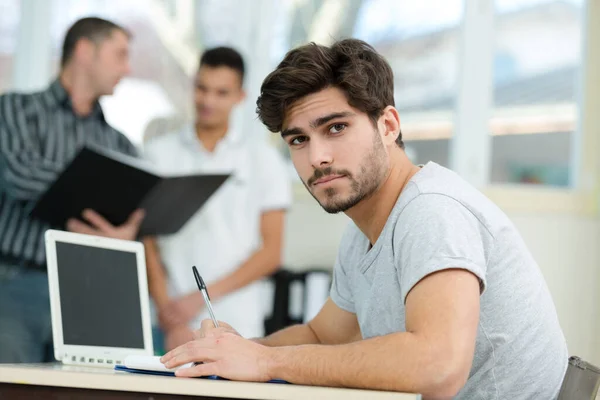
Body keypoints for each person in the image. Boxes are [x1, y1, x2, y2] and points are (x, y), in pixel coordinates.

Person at [160, 39, 569, 399]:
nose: (316, 157)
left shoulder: (432, 210)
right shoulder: (363, 234)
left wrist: (267, 363)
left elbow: (439, 368)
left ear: (388, 125)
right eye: (298, 139)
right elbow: (322, 336)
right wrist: (246, 350)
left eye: (336, 128)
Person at [0, 17, 144, 363]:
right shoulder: (16, 109)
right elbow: (23, 176)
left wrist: (127, 234)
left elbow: (133, 212)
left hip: (87, 292)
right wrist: (101, 191)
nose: (126, 68)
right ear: (84, 51)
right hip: (16, 283)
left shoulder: (119, 144)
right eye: (119, 55)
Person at [143, 47, 291, 352]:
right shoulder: (157, 154)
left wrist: (199, 299)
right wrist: (170, 313)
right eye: (202, 88)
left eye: (221, 92)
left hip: (238, 322)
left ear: (240, 96)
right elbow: (147, 239)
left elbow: (271, 252)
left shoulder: (263, 160)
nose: (208, 101)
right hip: (169, 323)